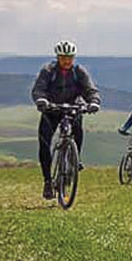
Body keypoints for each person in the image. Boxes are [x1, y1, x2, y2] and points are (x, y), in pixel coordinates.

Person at [32, 41, 101, 200]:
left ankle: (75, 158)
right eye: (63, 57)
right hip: (51, 109)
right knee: (44, 143)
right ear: (57, 57)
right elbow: (39, 88)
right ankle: (48, 181)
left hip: (73, 108)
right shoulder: (48, 71)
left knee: (77, 131)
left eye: (69, 57)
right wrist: (41, 100)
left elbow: (90, 89)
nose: (66, 61)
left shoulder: (79, 72)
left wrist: (94, 102)